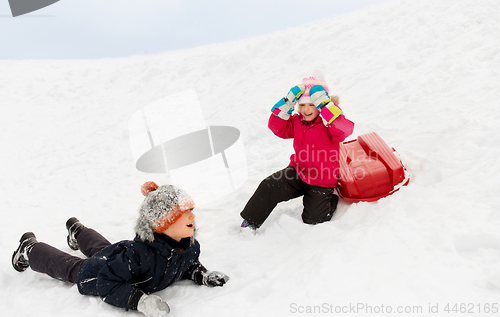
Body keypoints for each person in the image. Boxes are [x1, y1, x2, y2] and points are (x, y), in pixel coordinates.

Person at [12, 182, 229, 316]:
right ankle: (30, 248)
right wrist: (140, 301)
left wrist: (201, 274)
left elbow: (187, 264)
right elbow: (107, 283)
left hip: (118, 257)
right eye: (183, 214)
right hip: (100, 273)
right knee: (74, 268)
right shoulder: (139, 255)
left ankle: (77, 231)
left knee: (104, 249)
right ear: (162, 225)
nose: (192, 216)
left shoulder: (188, 246)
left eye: (191, 210)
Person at [240, 76, 355, 231]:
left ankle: (330, 199)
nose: (306, 110)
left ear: (321, 106)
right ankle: (250, 222)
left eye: (312, 105)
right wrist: (287, 101)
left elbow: (344, 130)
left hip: (322, 180)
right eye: (302, 105)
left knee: (313, 219)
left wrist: (327, 106)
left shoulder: (329, 123)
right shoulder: (297, 121)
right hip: (298, 173)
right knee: (270, 185)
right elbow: (276, 126)